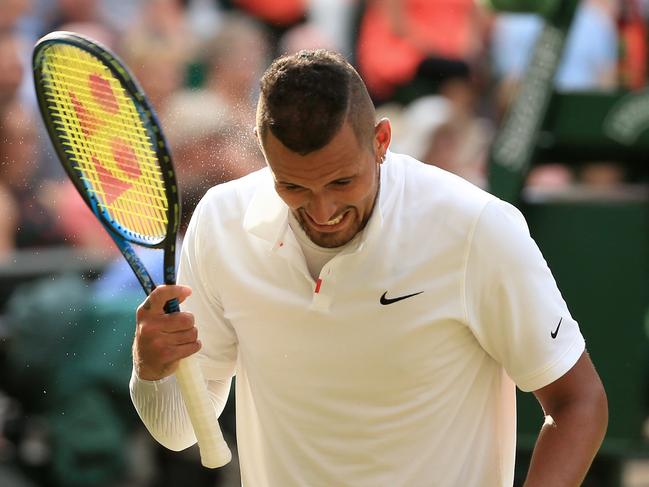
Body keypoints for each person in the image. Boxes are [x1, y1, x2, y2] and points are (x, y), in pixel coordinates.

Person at [130, 49, 608, 486]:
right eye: (293, 187)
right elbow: (181, 431)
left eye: (342, 181)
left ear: (381, 141)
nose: (322, 209)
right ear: (263, 148)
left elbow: (578, 402)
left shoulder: (474, 227)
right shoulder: (220, 222)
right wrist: (150, 371)